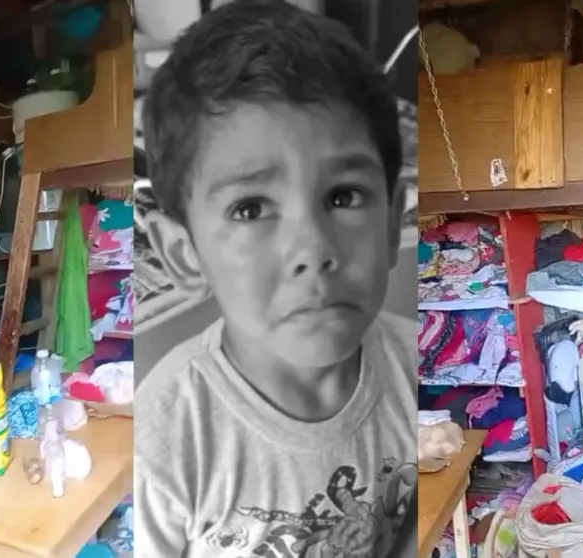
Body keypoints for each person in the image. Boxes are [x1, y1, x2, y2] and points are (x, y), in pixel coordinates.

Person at [135, 1, 418, 556]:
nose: (312, 250)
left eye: (344, 196)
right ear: (184, 254)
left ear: (391, 224)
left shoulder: (417, 374)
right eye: (251, 208)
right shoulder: (164, 438)